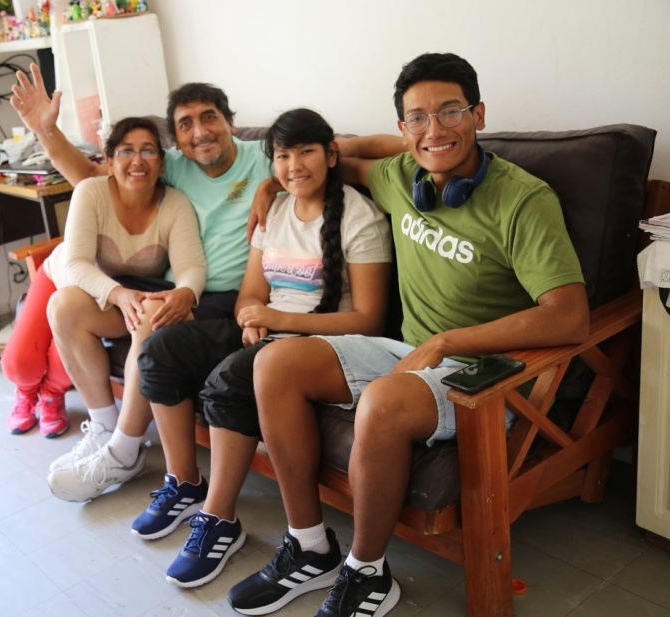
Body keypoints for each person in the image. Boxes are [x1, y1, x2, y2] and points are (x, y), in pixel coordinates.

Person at [228, 52, 590, 617]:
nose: (434, 129)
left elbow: (569, 316)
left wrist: (448, 342)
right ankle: (310, 545)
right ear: (402, 129)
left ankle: (367, 573)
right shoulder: (399, 177)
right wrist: (269, 186)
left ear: (479, 114)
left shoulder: (524, 199)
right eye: (417, 118)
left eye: (451, 111)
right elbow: (332, 153)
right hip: (406, 351)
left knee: (383, 401)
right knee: (272, 364)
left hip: (490, 372)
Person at [9, 63, 406, 499]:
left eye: (209, 117)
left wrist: (419, 140)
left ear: (230, 123)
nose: (200, 132)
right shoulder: (172, 166)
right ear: (175, 141)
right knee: (66, 306)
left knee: (154, 322)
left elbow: (351, 151)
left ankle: (125, 451)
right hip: (181, 289)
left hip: (227, 296)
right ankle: (104, 430)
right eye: (185, 124)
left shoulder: (269, 155)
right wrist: (47, 131)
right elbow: (97, 178)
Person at [132, 108, 392, 589]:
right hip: (268, 332)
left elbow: (369, 319)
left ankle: (218, 518)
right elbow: (251, 293)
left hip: (320, 343)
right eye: (282, 156)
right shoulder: (274, 209)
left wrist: (276, 321)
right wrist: (251, 320)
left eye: (306, 152)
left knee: (229, 379)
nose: (294, 166)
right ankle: (184, 482)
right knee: (161, 348)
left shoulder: (360, 217)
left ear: (331, 155)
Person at [0, 116, 205, 450]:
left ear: (162, 164)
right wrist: (117, 294)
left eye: (148, 151)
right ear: (109, 161)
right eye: (126, 151)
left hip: (113, 295)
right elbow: (75, 263)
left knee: (61, 367)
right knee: (19, 366)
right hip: (66, 276)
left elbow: (191, 265)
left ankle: (53, 396)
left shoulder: (175, 204)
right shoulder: (91, 191)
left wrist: (186, 292)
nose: (137, 160)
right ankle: (26, 392)